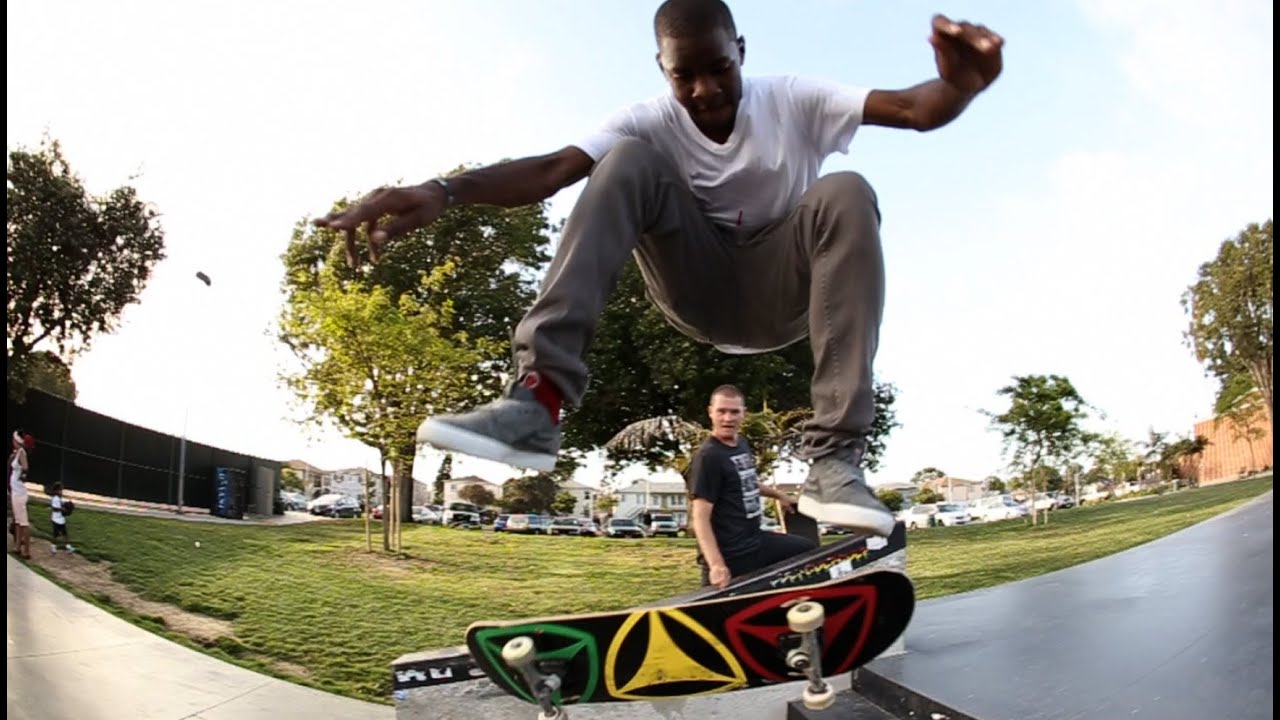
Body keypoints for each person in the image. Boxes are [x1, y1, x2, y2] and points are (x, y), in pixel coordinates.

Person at [315, 1, 1003, 537]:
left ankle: (835, 462)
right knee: (628, 161)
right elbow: (553, 171)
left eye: (720, 69)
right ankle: (537, 401)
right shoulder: (647, 119)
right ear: (662, 70)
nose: (705, 91)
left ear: (741, 52)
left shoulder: (793, 98)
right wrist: (444, 190)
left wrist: (960, 85)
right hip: (697, 287)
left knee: (846, 191)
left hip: (784, 291)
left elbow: (913, 108)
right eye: (684, 77)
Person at [689, 385, 815, 589]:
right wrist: (717, 565)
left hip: (755, 541)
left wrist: (779, 495)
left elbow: (745, 481)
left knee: (807, 550)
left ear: (744, 414)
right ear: (710, 412)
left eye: (734, 412)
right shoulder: (708, 457)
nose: (728, 418)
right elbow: (700, 518)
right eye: (721, 411)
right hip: (732, 555)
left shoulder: (741, 444)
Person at [9, 430, 33, 559]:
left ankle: (27, 551)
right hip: (15, 491)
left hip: (19, 492)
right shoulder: (17, 452)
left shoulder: (22, 452)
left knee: (24, 523)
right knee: (18, 522)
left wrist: (21, 477)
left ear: (17, 441)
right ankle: (17, 547)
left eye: (14, 440)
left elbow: (26, 468)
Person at [49, 481, 74, 554]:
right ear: (56, 491)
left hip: (61, 519)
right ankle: (53, 547)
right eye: (60, 490)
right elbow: (54, 508)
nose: (61, 491)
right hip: (56, 520)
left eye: (62, 490)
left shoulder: (61, 498)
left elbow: (64, 504)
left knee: (65, 534)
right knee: (55, 534)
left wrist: (68, 505)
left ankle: (68, 547)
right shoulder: (55, 499)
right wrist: (62, 509)